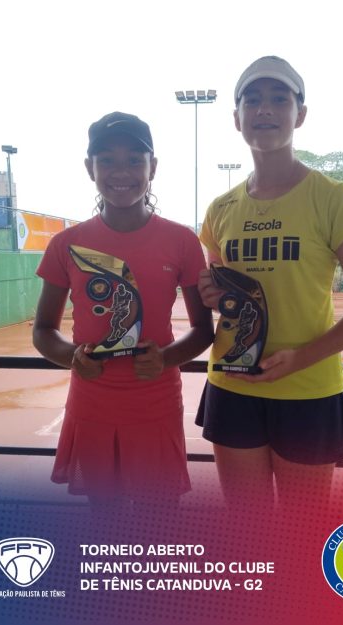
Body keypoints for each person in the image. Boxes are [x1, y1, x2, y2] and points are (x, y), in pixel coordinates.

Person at [196, 56, 343, 514]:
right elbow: (224, 295)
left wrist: (301, 358)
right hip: (234, 384)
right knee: (246, 526)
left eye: (279, 99)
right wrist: (213, 295)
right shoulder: (220, 209)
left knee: (302, 531)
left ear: (299, 114)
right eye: (252, 100)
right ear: (237, 118)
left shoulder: (333, 199)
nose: (264, 108)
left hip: (307, 388)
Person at [33, 112, 214, 509]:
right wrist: (73, 357)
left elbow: (203, 329)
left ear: (153, 167)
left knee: (160, 519)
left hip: (156, 403)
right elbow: (43, 330)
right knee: (104, 519)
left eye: (134, 159)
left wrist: (165, 358)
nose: (121, 172)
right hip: (92, 404)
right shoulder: (66, 244)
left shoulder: (181, 240)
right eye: (107, 160)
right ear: (90, 168)